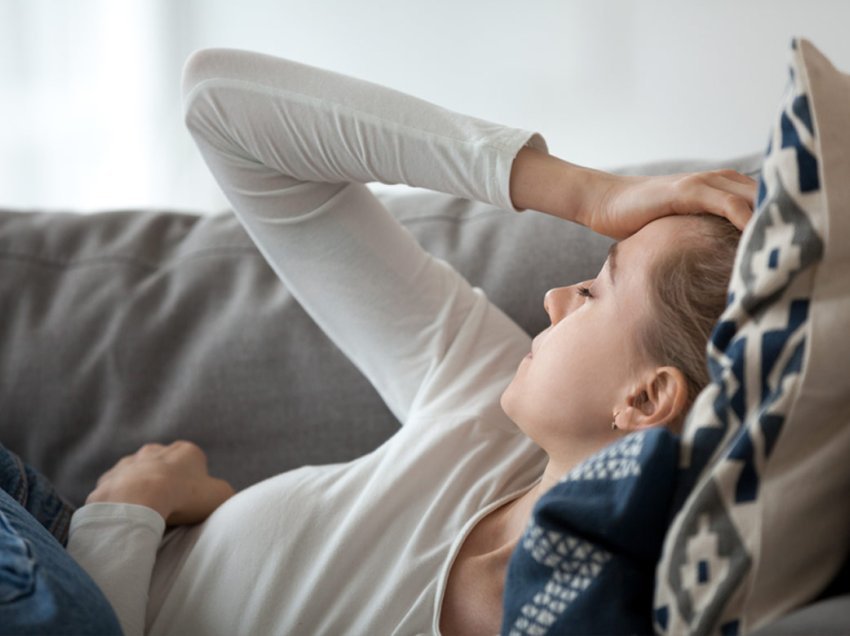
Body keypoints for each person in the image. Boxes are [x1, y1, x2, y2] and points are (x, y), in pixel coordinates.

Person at [57, 48, 756, 636]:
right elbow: (221, 105)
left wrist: (124, 516)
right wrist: (585, 194)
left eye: (595, 291)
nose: (553, 297)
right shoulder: (480, 402)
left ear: (645, 396)